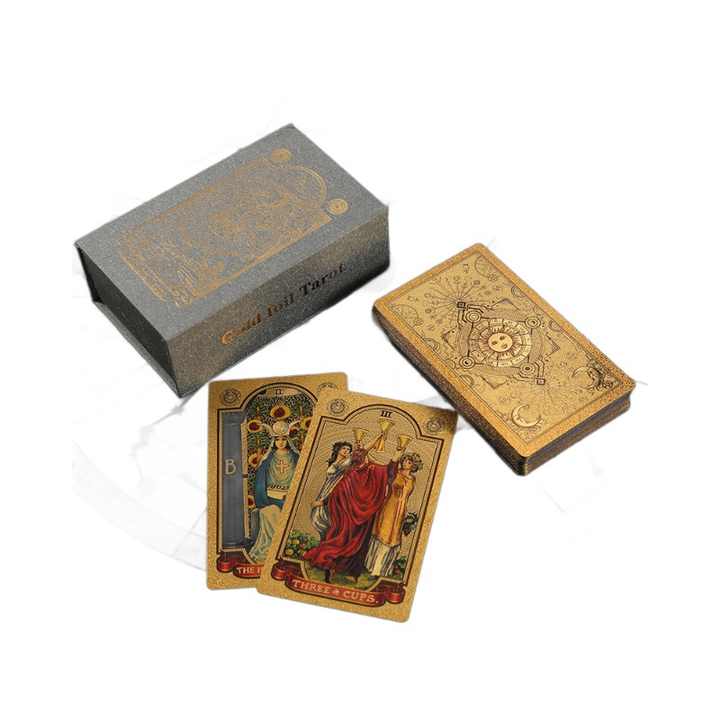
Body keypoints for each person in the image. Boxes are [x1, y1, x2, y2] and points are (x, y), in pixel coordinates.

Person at [303, 434, 404, 583]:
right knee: (341, 540)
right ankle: (330, 568)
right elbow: (338, 492)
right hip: (348, 517)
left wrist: (396, 451)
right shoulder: (354, 472)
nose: (365, 458)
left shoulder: (370, 470)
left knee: (349, 542)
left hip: (358, 519)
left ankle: (346, 570)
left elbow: (389, 469)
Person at [247, 421, 299, 563]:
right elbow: (260, 480)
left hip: (291, 497)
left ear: (288, 440)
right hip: (270, 499)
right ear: (273, 441)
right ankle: (276, 548)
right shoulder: (268, 459)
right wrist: (263, 500)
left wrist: (293, 494)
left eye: (283, 439)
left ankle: (284, 548)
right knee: (269, 512)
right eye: (277, 439)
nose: (280, 442)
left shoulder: (295, 458)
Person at [365, 452, 422, 578]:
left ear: (414, 465)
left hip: (400, 512)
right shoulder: (395, 473)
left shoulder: (413, 479)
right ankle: (374, 568)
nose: (405, 463)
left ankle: (384, 569)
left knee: (394, 538)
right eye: (405, 460)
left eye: (409, 462)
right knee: (383, 536)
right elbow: (381, 469)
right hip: (389, 508)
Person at [310, 441, 353, 540]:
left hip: (335, 493)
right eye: (344, 448)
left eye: (348, 450)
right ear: (338, 449)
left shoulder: (347, 463)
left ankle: (328, 541)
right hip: (325, 491)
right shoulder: (333, 462)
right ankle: (324, 540)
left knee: (330, 518)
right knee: (317, 516)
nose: (346, 451)